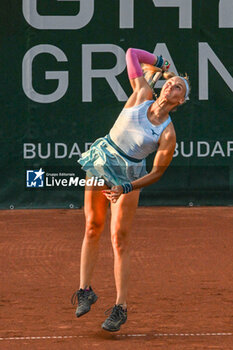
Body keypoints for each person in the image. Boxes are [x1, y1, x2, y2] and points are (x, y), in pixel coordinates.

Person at [71, 47, 190, 332]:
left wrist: (126, 186)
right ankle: (85, 290)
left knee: (119, 239)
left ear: (180, 100)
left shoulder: (168, 134)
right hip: (101, 161)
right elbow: (131, 54)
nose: (172, 86)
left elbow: (157, 172)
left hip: (129, 175)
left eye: (179, 88)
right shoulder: (141, 95)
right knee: (92, 226)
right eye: (172, 82)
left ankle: (120, 307)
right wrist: (159, 62)